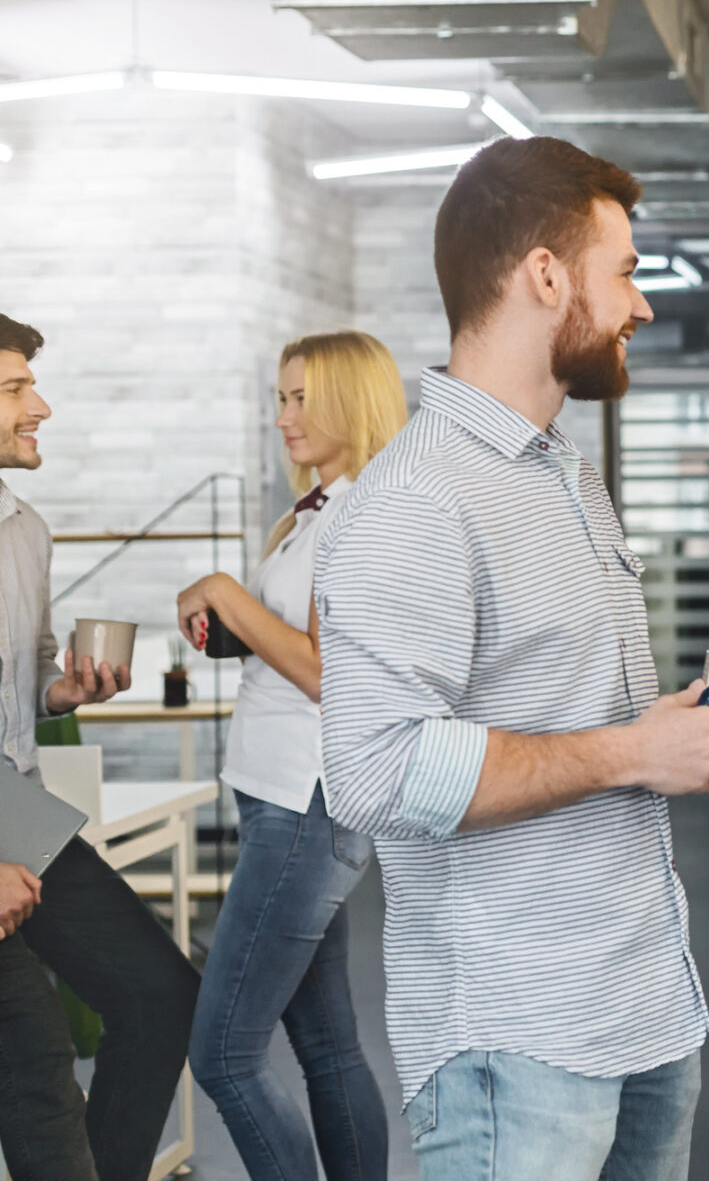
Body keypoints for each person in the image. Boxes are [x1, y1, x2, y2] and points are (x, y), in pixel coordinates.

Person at [312, 136, 709, 1181]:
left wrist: (676, 736)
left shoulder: (565, 478)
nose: (643, 306)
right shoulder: (418, 497)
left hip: (645, 1009)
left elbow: (573, 714)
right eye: (624, 273)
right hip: (515, 1043)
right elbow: (372, 770)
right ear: (544, 275)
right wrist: (627, 755)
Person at [176, 331, 407, 1180]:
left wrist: (229, 594)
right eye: (280, 398)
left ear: (353, 400)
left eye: (301, 398)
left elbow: (331, 674)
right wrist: (234, 633)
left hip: (306, 809)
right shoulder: (320, 510)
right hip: (284, 802)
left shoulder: (363, 514)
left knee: (225, 1056)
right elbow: (299, 646)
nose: (283, 417)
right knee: (328, 1046)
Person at [0, 312, 201, 1181]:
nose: (40, 405)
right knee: (40, 1076)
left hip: (20, 811)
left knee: (160, 996)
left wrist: (65, 692)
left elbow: (28, 681)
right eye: (14, 389)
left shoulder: (27, 531)